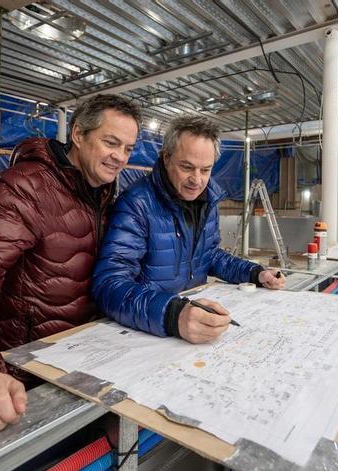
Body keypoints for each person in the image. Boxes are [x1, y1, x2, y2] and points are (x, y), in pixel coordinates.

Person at [0, 95, 141, 441]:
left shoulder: (107, 196)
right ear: (79, 135)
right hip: (28, 368)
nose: (120, 157)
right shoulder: (26, 187)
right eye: (111, 142)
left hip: (85, 361)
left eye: (128, 148)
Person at [92, 116, 286, 344]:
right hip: (149, 332)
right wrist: (172, 314)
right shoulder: (137, 204)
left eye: (206, 169)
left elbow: (210, 255)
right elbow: (109, 284)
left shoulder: (209, 199)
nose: (197, 179)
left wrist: (255, 273)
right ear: (166, 158)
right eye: (186, 167)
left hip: (194, 324)